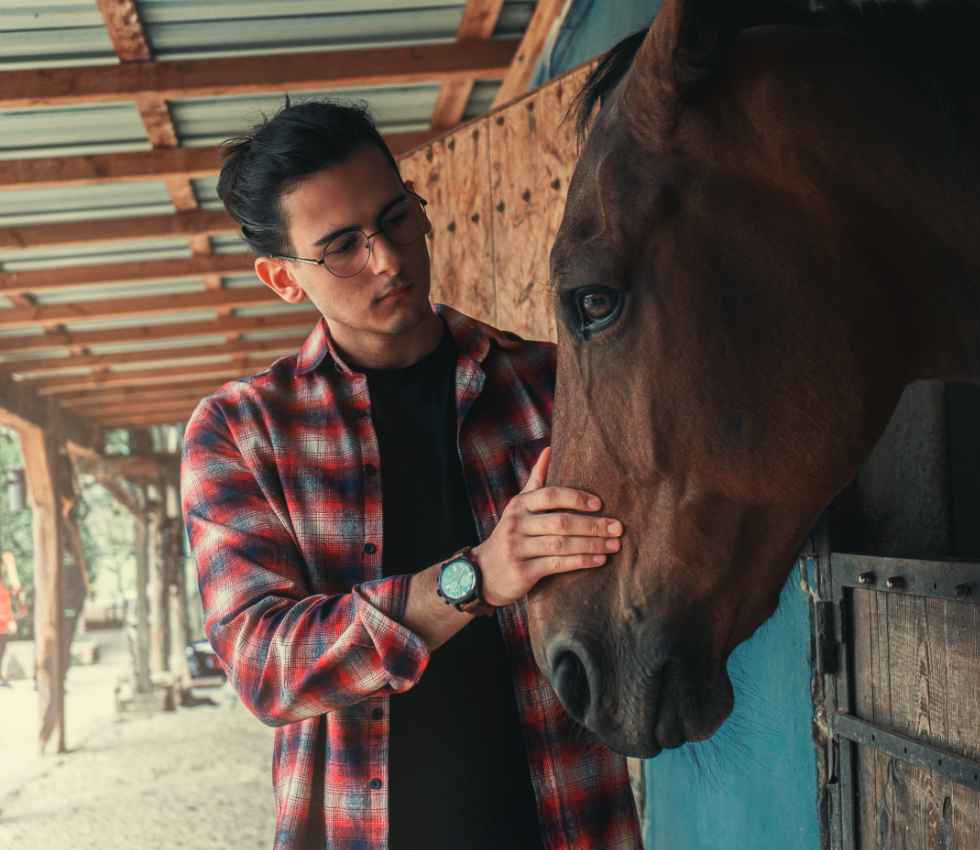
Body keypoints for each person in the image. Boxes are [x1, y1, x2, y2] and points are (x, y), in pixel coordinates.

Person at [182, 102, 640, 850]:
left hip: (569, 821)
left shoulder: (551, 389)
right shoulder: (241, 431)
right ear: (281, 279)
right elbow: (264, 666)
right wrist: (479, 576)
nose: (388, 259)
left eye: (395, 218)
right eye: (342, 248)